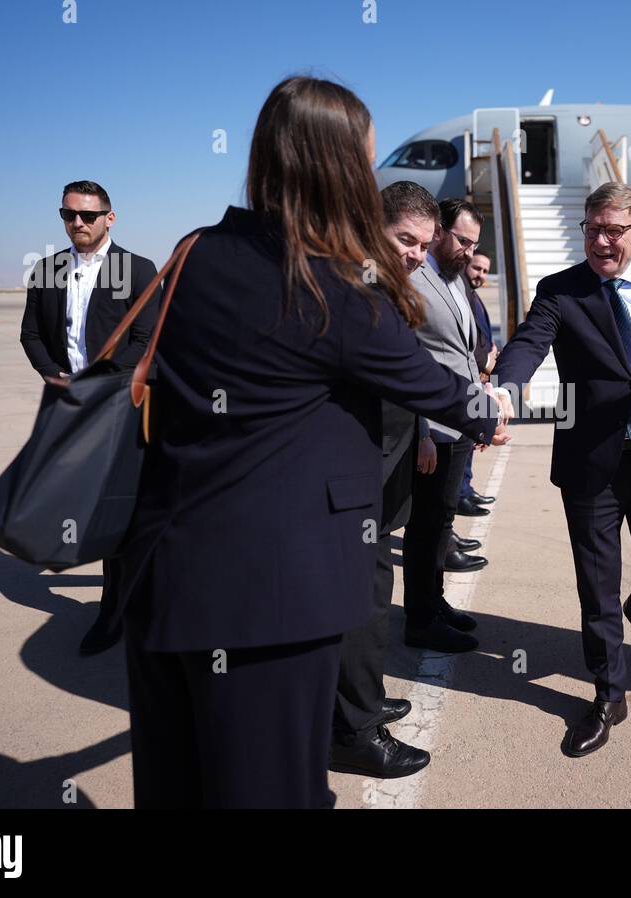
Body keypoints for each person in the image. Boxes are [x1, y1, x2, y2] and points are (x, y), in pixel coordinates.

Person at [112, 76, 499, 808]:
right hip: (274, 600)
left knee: (176, 787)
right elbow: (437, 388)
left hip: (165, 576)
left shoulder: (196, 253)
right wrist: (494, 407)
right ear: (341, 168)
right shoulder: (334, 288)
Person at [493, 182, 631, 758]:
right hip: (592, 467)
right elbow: (528, 343)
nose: (601, 239)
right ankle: (609, 694)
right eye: (592, 228)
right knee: (597, 586)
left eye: (614, 229)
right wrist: (505, 388)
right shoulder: (561, 291)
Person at [330, 180, 443, 779]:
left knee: (372, 596)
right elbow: (410, 373)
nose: (416, 254)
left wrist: (423, 428)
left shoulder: (385, 285)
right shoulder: (354, 286)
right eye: (406, 240)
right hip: (351, 479)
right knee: (363, 604)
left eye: (424, 245)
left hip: (384, 466)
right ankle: (354, 731)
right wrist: (474, 408)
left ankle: (360, 700)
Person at [18, 180, 159, 656]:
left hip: (122, 407)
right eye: (68, 214)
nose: (77, 223)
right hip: (71, 407)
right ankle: (121, 604)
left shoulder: (137, 270)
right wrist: (51, 373)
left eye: (87, 215)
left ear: (109, 218)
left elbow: (146, 342)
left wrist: (100, 381)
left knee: (125, 511)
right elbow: (32, 334)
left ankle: (116, 611)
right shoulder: (48, 270)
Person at [402, 199, 502, 653]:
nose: (468, 251)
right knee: (424, 527)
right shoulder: (413, 279)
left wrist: (478, 415)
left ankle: (435, 603)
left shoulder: (455, 278)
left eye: (474, 243)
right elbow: (409, 360)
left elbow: (462, 353)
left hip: (458, 422)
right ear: (439, 231)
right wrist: (420, 430)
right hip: (432, 427)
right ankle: (419, 619)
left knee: (442, 521)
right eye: (462, 240)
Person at [454, 252, 497, 534]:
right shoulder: (461, 295)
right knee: (461, 444)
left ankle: (465, 490)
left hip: (480, 380)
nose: (480, 274)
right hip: (469, 380)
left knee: (470, 444)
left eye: (484, 270)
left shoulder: (474, 296)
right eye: (476, 267)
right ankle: (459, 496)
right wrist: (487, 362)